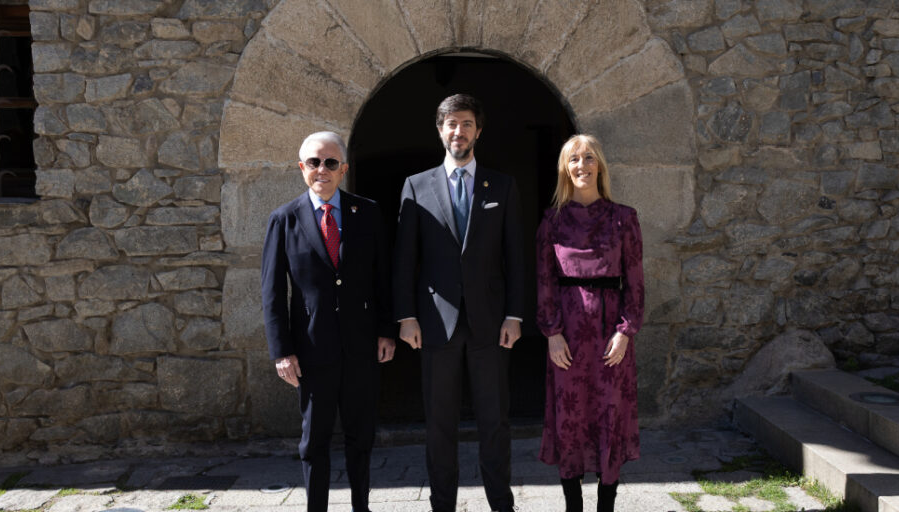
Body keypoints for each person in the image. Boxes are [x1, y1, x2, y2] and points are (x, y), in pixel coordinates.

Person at [393, 94, 524, 512]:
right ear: (440, 130)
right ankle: (442, 505)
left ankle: (501, 504)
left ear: (478, 131)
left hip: (491, 323)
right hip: (435, 323)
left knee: (494, 421)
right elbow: (405, 258)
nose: (458, 131)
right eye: (451, 124)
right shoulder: (416, 185)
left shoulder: (502, 185)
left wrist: (515, 315)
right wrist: (406, 316)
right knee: (440, 424)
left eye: (466, 123)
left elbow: (515, 256)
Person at [261, 131, 396, 512]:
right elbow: (272, 292)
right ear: (301, 168)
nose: (322, 169)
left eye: (331, 163)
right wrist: (282, 352)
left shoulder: (367, 212)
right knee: (314, 442)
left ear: (343, 169)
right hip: (311, 350)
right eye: (314, 162)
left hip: (361, 346)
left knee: (361, 437)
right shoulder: (284, 220)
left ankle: (360, 507)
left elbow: (382, 278)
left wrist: (386, 331)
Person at [535, 134, 645, 512]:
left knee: (609, 416)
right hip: (567, 337)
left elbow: (635, 281)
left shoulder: (624, 218)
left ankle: (606, 506)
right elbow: (545, 282)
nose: (581, 165)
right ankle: (573, 506)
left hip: (610, 335)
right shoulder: (552, 221)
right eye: (574, 159)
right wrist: (551, 333)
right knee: (570, 418)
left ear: (600, 165)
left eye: (589, 158)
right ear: (565, 169)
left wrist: (626, 331)